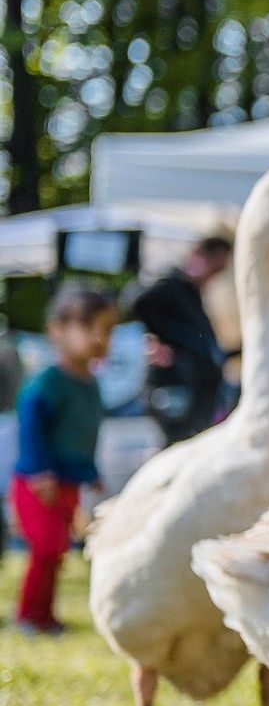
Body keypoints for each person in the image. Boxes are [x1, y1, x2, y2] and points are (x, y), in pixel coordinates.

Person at [13, 284, 116, 634]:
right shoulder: (48, 382)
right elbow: (30, 428)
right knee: (44, 547)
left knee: (58, 551)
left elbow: (84, 433)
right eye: (91, 328)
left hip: (68, 483)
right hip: (38, 482)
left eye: (108, 330)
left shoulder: (92, 384)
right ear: (57, 330)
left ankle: (46, 616)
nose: (101, 338)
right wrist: (39, 470)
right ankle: (27, 615)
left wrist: (91, 471)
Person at [130, 236, 231, 442]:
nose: (214, 275)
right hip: (177, 389)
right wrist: (153, 340)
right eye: (215, 266)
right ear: (200, 255)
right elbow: (134, 302)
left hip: (197, 391)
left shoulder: (191, 293)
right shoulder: (171, 286)